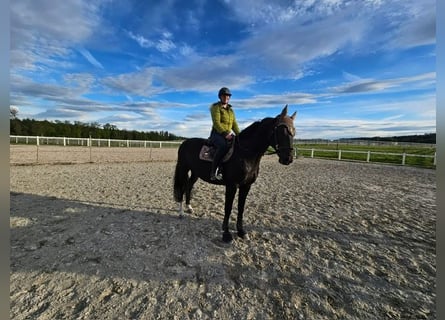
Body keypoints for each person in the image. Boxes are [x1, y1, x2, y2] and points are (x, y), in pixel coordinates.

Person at [209, 87, 240, 181]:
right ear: (220, 97)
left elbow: (234, 124)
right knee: (223, 146)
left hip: (228, 134)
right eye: (224, 96)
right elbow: (216, 123)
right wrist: (224, 133)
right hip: (217, 134)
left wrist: (240, 135)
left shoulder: (231, 110)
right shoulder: (216, 107)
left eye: (228, 96)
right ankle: (214, 171)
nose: (226, 97)